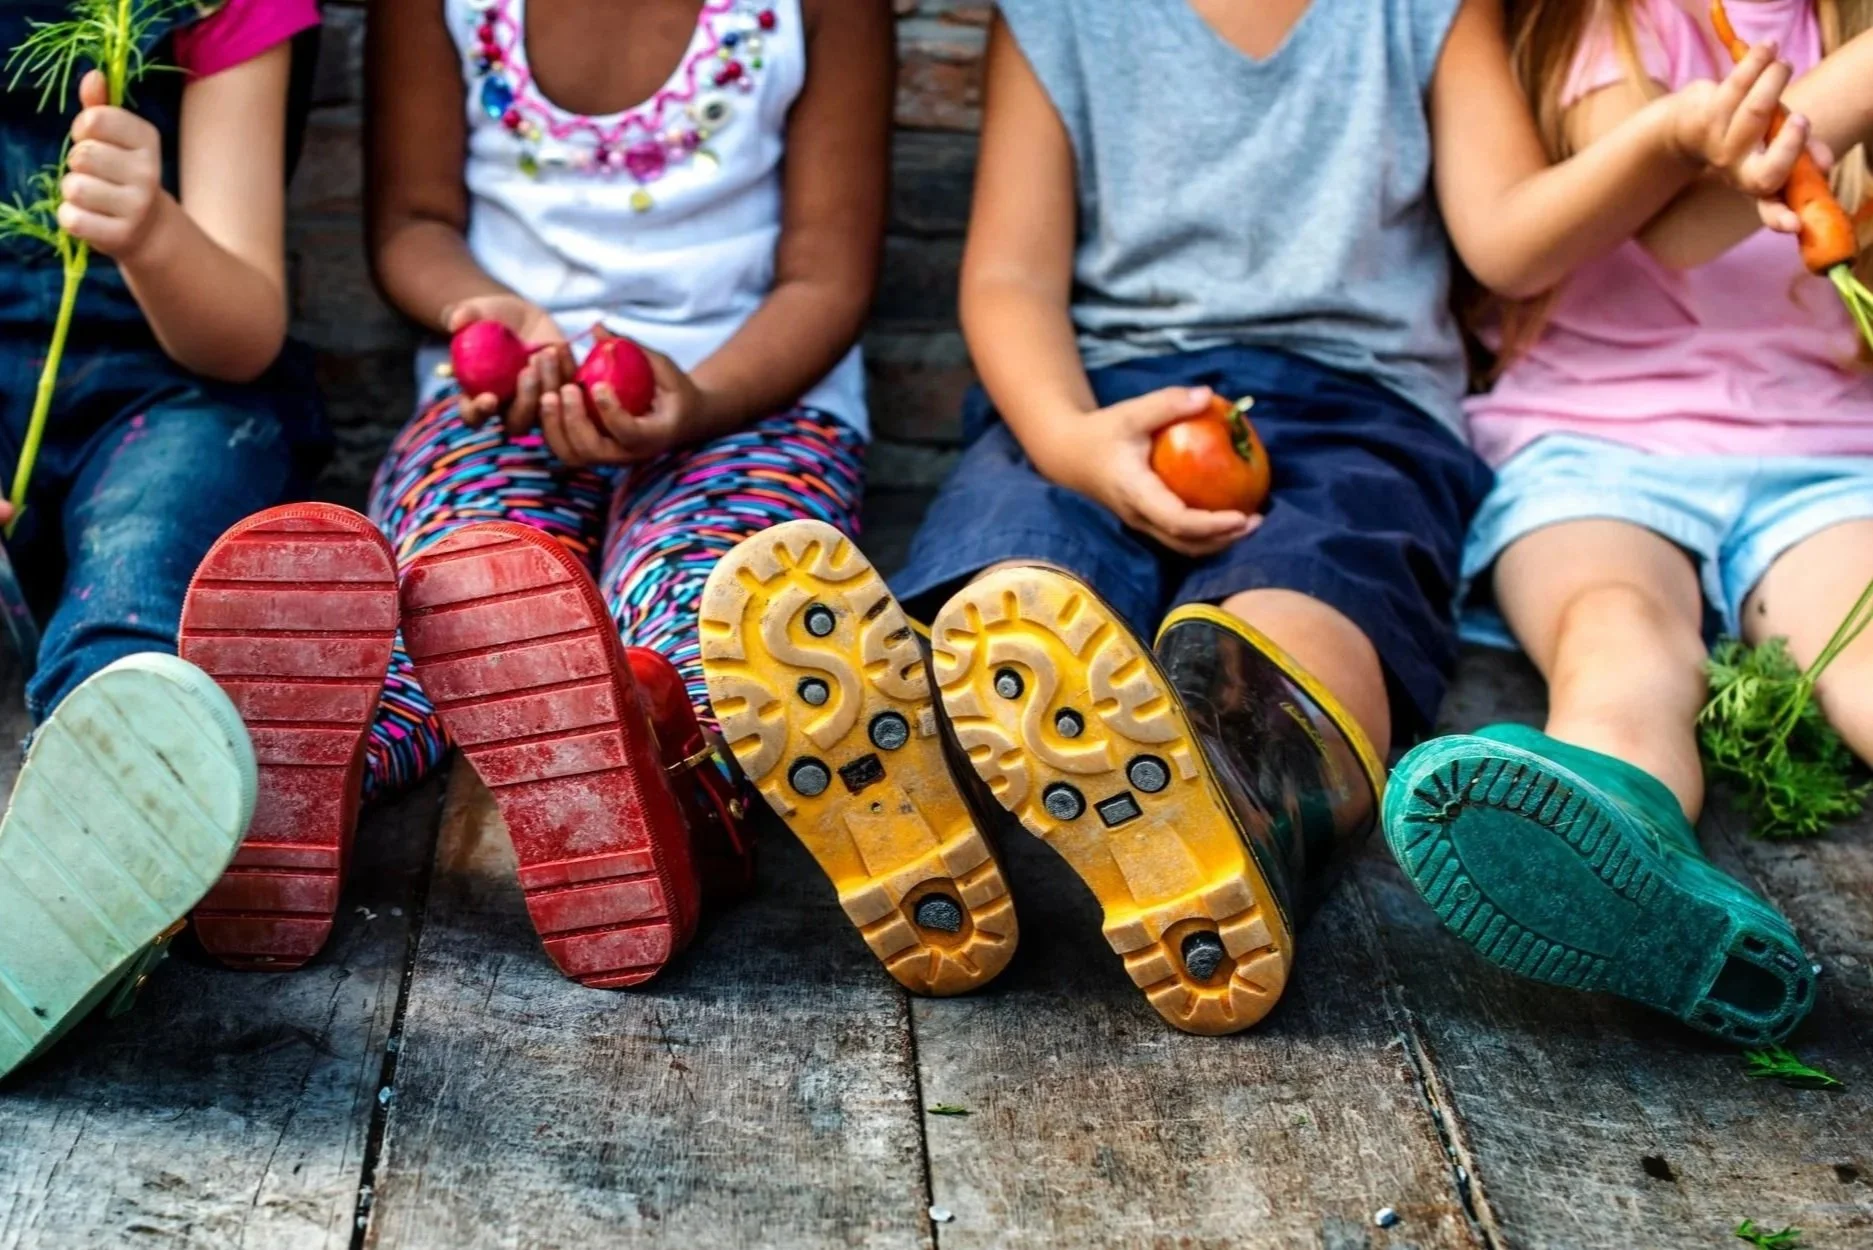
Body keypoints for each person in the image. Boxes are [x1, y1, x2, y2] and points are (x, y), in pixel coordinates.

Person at [704, 0, 1812, 1034]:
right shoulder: (1062, 14)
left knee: (1318, 586)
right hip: (1103, 394)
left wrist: (1669, 141)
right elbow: (1008, 281)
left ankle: (1236, 778)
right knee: (1015, 559)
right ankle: (923, 775)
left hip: (1357, 407)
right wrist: (1069, 440)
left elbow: (1507, 241)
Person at [178, 0, 895, 990]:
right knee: (452, 594)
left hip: (748, 402)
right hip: (499, 399)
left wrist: (703, 401)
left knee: (716, 607)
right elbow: (413, 224)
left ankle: (661, 772)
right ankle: (303, 783)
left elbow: (825, 278)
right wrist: (486, 312)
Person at [1387, 0, 1873, 1045]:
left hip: (1827, 446)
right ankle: (1624, 866)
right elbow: (1684, 222)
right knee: (1615, 632)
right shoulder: (1612, 24)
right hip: (1595, 440)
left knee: (1867, 655)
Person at [0, 0, 325, 1080]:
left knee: (149, 559)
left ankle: (98, 833)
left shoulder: (221, 9)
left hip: (172, 396)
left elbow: (241, 332)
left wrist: (151, 230)